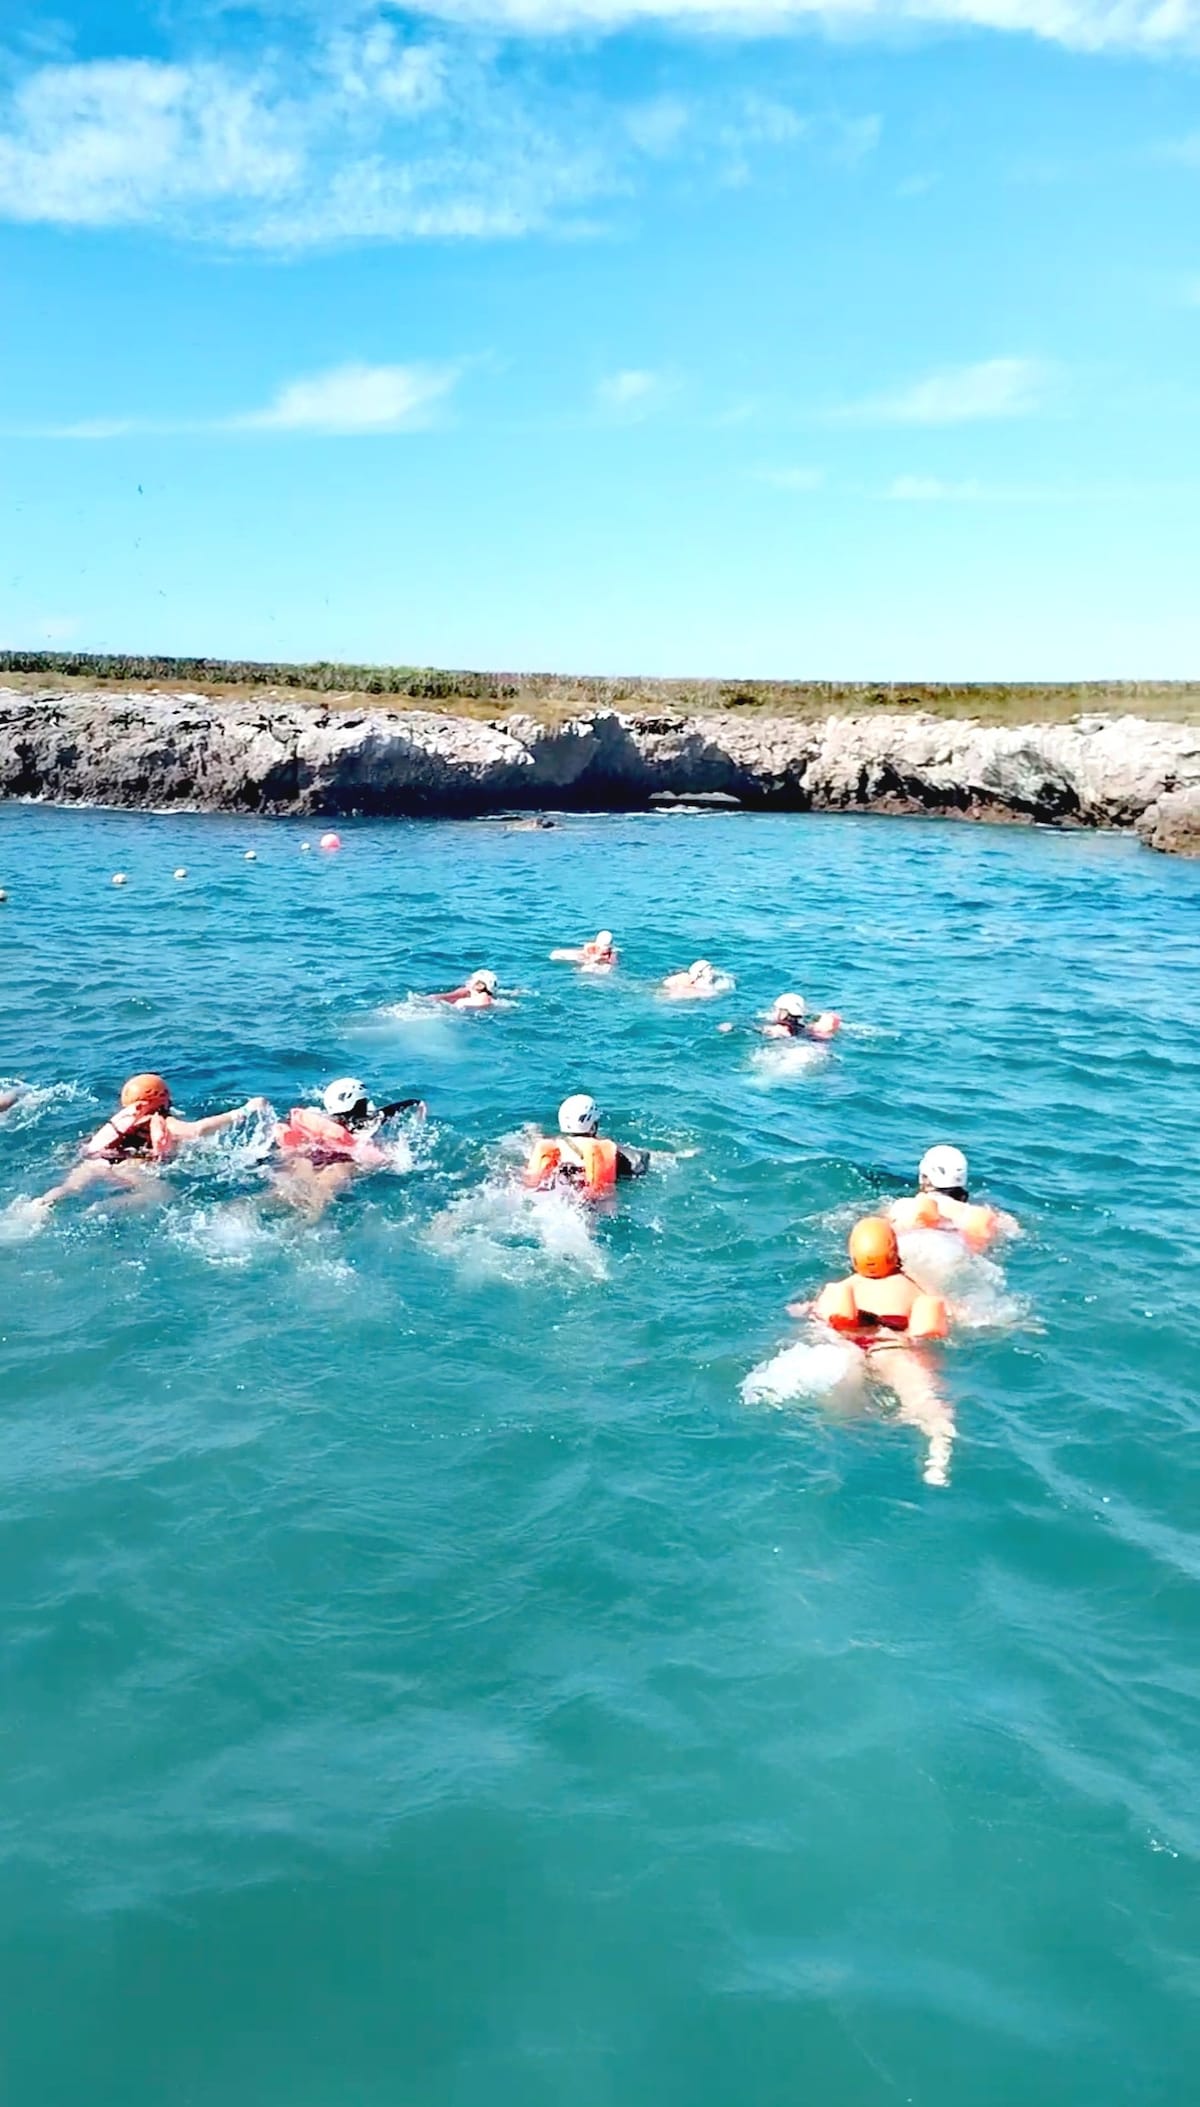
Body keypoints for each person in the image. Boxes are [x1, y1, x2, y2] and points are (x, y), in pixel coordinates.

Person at [793, 1216, 955, 1486]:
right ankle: (938, 1452)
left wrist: (799, 1308)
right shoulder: (914, 1287)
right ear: (893, 1251)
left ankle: (855, 1452)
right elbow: (949, 1311)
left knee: (844, 1411)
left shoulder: (845, 1286)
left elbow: (815, 1311)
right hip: (892, 1347)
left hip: (847, 1345)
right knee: (925, 1402)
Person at [29, 1073, 268, 1216]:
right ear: (161, 1097)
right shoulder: (162, 1119)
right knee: (162, 1193)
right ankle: (101, 1209)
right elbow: (196, 1131)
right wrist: (243, 1111)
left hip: (96, 1161)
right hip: (129, 1165)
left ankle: (42, 1203)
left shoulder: (123, 1120)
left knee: (70, 1187)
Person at [270, 1077, 425, 1219]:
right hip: (340, 1162)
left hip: (308, 1156)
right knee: (318, 1203)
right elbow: (386, 1112)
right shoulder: (360, 1125)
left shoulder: (315, 1116)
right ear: (358, 1103)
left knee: (279, 1193)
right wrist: (414, 1102)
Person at [522, 1094, 649, 1201]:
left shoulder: (553, 1147)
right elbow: (638, 1162)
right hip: (590, 1204)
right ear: (593, 1126)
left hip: (551, 1198)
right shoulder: (609, 1151)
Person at [889, 1145, 1017, 1251]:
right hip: (960, 1257)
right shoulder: (979, 1214)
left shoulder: (904, 1207)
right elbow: (1014, 1232)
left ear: (924, 1178)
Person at [761, 992, 840, 1041]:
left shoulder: (779, 1028)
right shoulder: (804, 1026)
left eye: (776, 1009)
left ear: (784, 1011)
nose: (774, 1011)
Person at [660, 959, 732, 1001]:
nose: (712, 971)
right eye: (710, 969)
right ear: (699, 973)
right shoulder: (683, 977)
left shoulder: (709, 988)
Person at [551, 930, 618, 973]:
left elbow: (612, 964)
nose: (604, 950)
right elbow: (554, 955)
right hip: (586, 961)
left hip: (596, 966)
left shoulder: (612, 955)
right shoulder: (588, 949)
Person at [432, 970, 499, 1010]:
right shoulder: (495, 1002)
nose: (467, 981)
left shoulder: (463, 1002)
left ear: (480, 986)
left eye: (471, 979)